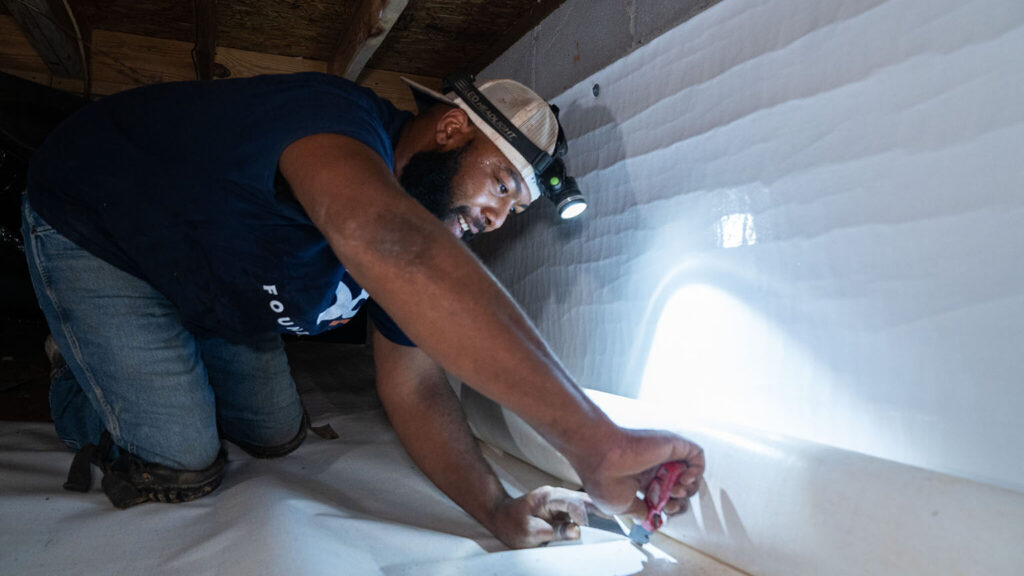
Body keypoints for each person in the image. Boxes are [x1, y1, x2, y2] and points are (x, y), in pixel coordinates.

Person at [22, 71, 705, 549]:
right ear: (450, 130)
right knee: (183, 463)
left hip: (212, 285)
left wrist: (498, 510)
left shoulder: (419, 222)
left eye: (515, 209)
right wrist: (598, 443)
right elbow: (387, 239)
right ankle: (75, 369)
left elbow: (412, 384)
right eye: (500, 183)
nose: (498, 217)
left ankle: (161, 352)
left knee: (275, 436)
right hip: (100, 228)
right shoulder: (335, 121)